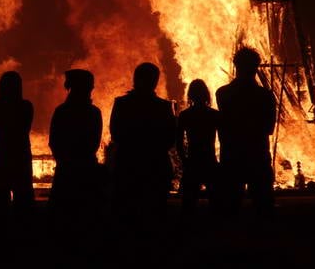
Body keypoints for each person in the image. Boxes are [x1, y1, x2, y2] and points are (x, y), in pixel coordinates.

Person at [109, 62, 176, 231]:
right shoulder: (164, 107)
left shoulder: (122, 104)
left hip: (127, 166)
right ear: (155, 81)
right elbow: (170, 138)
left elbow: (116, 134)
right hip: (155, 168)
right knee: (155, 216)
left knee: (127, 216)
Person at [215, 46, 276, 218]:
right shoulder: (266, 96)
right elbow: (269, 128)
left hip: (232, 156)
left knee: (231, 208)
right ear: (256, 67)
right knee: (263, 207)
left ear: (235, 66)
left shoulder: (222, 93)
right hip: (258, 155)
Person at [48, 69, 103, 229]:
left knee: (62, 217)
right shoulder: (93, 113)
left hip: (65, 170)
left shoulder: (61, 111)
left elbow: (54, 142)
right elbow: (94, 143)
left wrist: (63, 160)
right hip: (86, 169)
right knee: (86, 218)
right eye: (90, 86)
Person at [0, 71, 35, 224]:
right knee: (24, 208)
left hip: (1, 162)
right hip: (21, 161)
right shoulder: (26, 107)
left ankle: (1, 242)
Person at [176, 79, 220, 216]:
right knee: (215, 200)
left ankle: (188, 230)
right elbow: (224, 139)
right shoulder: (214, 115)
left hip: (193, 160)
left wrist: (184, 159)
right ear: (207, 95)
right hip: (209, 159)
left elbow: (178, 141)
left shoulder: (185, 115)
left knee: (188, 202)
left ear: (190, 96)